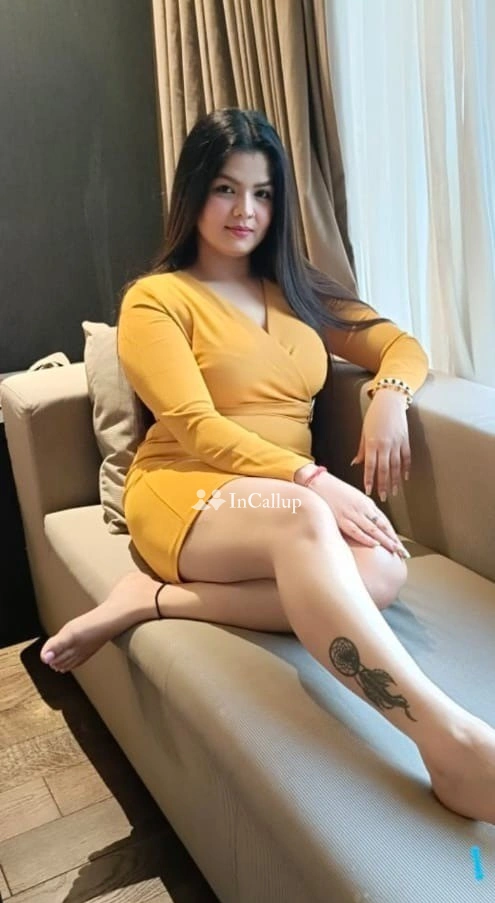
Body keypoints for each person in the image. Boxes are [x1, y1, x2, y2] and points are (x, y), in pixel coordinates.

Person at [40, 108, 495, 824]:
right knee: (302, 517)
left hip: (277, 499)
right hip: (188, 489)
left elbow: (400, 346)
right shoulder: (157, 299)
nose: (244, 211)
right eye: (225, 189)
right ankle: (449, 741)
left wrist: (388, 397)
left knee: (382, 569)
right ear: (193, 193)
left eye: (262, 193)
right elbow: (196, 428)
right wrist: (310, 478)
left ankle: (153, 599)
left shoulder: (296, 291)